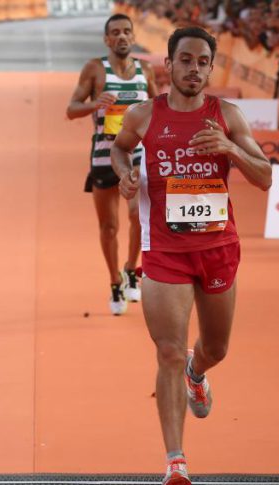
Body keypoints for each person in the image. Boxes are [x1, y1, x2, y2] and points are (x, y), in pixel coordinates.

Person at [111, 26, 272, 485]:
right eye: (186, 60)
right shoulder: (144, 115)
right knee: (167, 350)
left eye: (203, 62)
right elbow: (120, 153)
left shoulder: (228, 115)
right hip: (164, 251)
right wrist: (124, 177)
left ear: (210, 67)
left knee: (216, 348)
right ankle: (175, 461)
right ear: (169, 63)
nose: (194, 69)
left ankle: (197, 374)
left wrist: (231, 149)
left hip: (218, 249)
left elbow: (265, 177)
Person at [66, 14, 158, 315]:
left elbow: (159, 109)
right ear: (107, 39)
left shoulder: (145, 70)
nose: (121, 37)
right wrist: (94, 104)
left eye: (126, 32)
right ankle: (115, 281)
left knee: (137, 216)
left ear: (133, 37)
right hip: (105, 153)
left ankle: (132, 268)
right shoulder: (95, 68)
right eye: (115, 32)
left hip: (139, 154)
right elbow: (71, 109)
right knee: (109, 227)